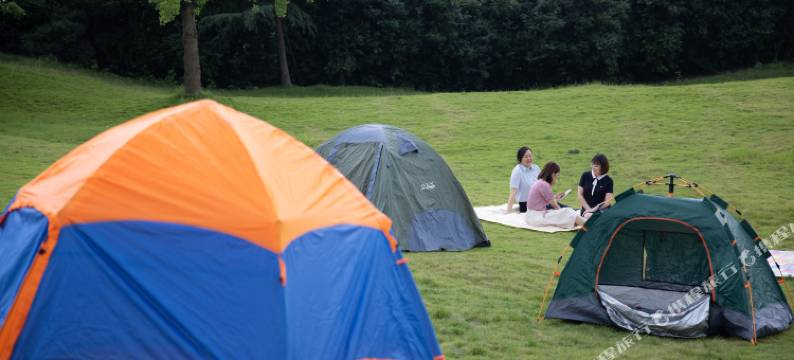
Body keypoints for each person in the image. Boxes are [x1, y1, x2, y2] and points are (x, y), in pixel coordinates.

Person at [525, 161, 586, 229]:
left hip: (533, 215)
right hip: (536, 217)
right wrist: (562, 212)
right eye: (557, 176)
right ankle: (590, 227)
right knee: (567, 212)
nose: (556, 179)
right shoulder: (544, 185)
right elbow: (555, 205)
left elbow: (544, 199)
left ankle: (588, 225)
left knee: (568, 212)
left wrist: (555, 198)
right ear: (553, 174)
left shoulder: (540, 182)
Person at [507, 146, 540, 213]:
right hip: (526, 205)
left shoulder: (536, 168)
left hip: (539, 200)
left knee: (560, 207)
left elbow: (543, 187)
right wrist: (508, 212)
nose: (529, 158)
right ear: (520, 159)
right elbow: (513, 192)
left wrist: (553, 198)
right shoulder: (517, 171)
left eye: (530, 156)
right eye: (526, 157)